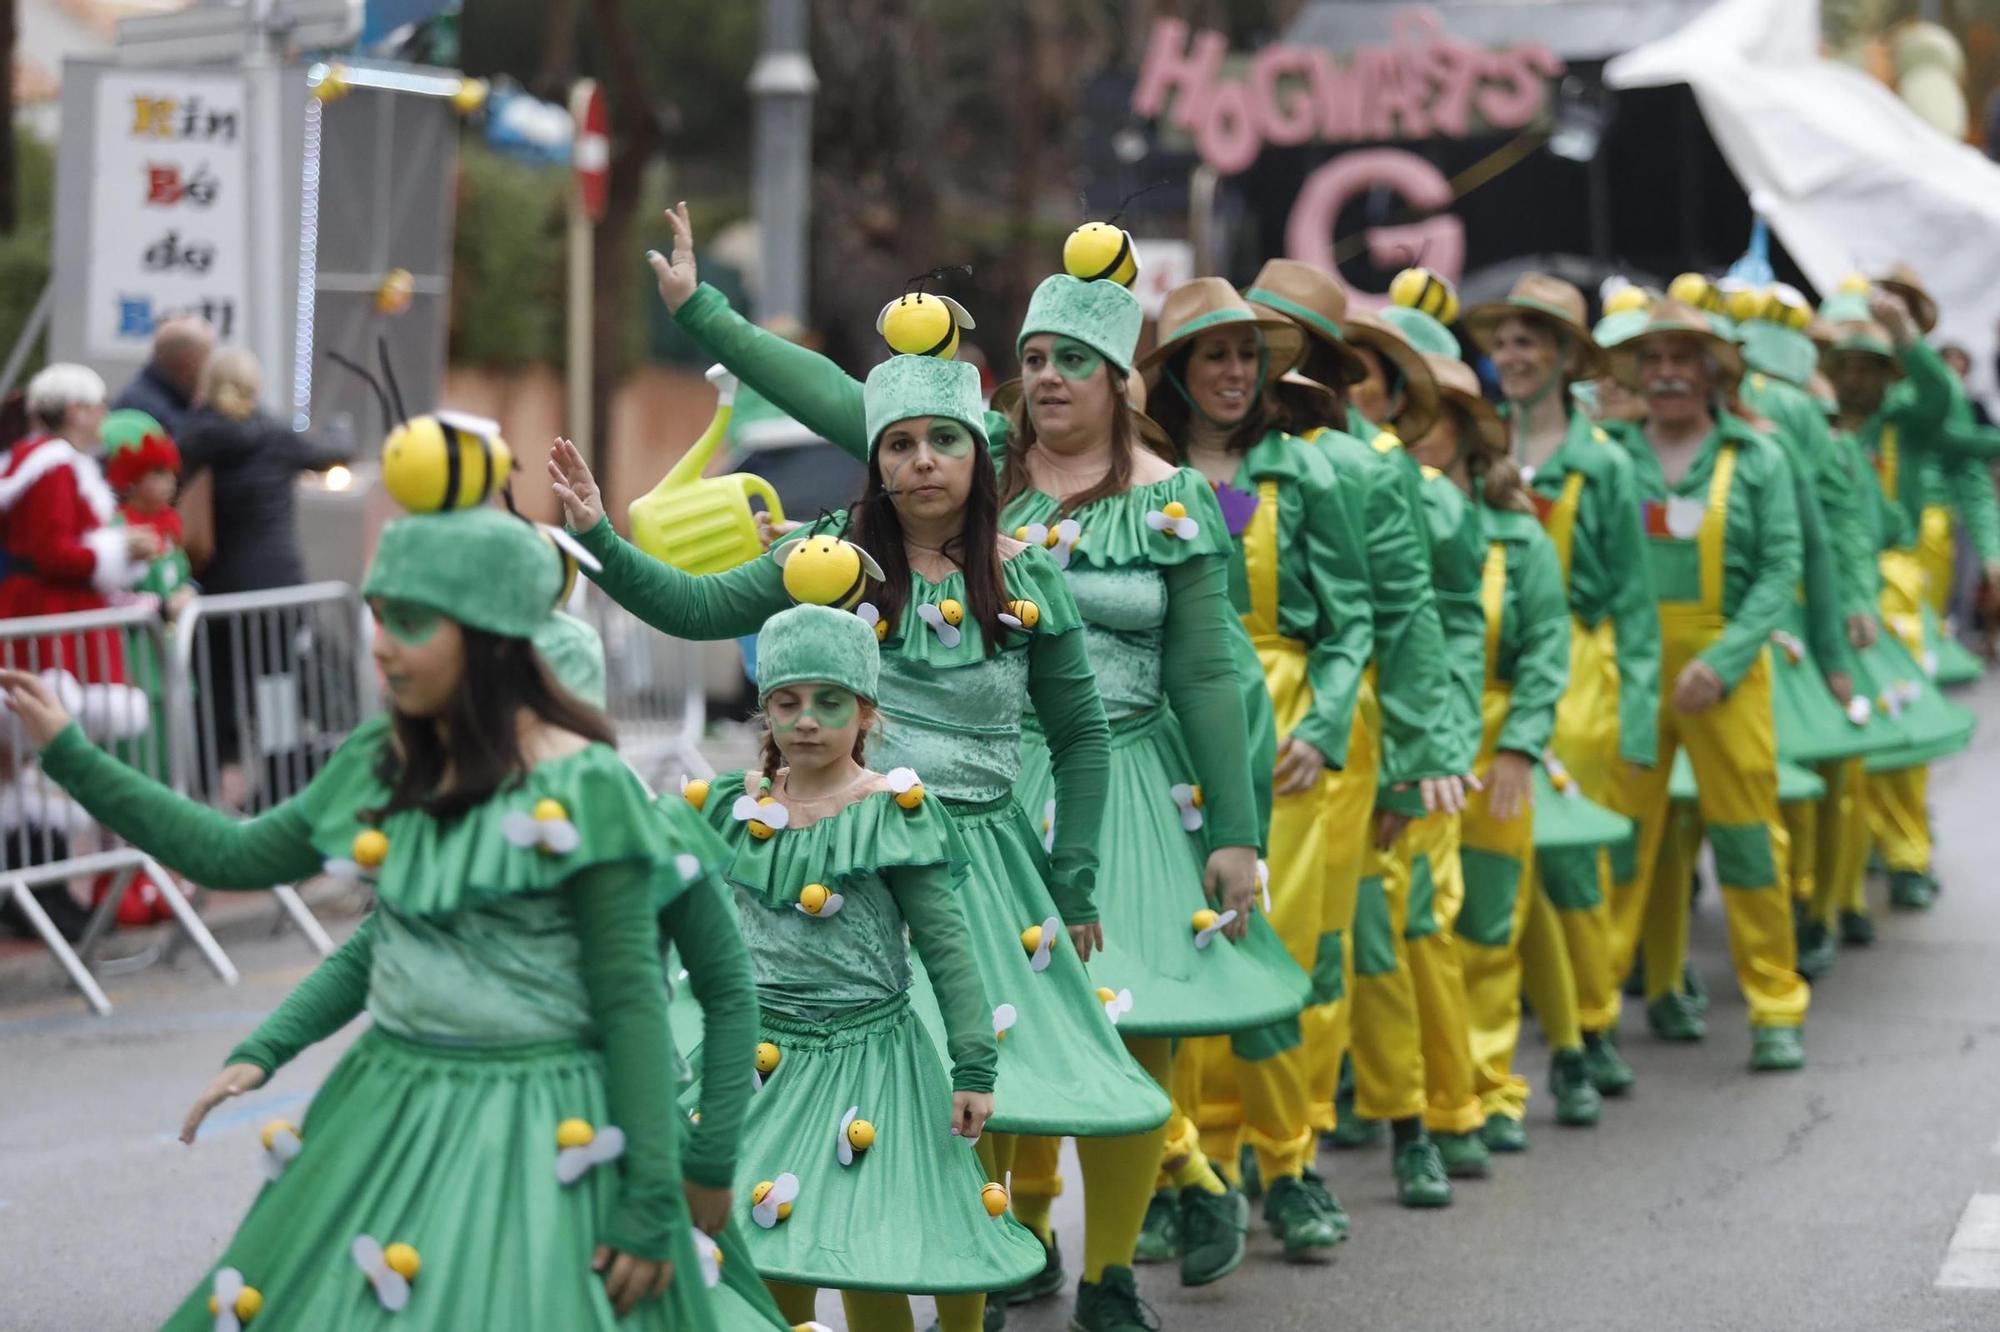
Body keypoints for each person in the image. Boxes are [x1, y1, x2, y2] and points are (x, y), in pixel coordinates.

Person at [640, 202, 1304, 1329]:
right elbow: (833, 399)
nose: (1046, 378)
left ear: (1119, 376)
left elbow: (1203, 674)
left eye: (1073, 360)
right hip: (960, 790)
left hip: (1119, 787)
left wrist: (1231, 835)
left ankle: (1112, 1272)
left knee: (1111, 1038)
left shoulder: (1174, 500)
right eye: (1033, 357)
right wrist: (704, 311)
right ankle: (1004, 1240)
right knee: (956, 1040)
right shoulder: (970, 457)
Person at [2, 503, 729, 1328]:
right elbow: (232, 857)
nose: (380, 645)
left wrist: (645, 1203)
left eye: (411, 623)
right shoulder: (384, 762)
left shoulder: (588, 786)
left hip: (545, 1126)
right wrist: (71, 753)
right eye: (378, 617)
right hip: (388, 1109)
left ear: (490, 633)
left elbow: (632, 999)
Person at [680, 602, 1045, 1332]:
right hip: (768, 1062)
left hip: (873, 1061)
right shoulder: (739, 809)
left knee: (871, 1248)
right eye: (787, 702)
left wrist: (974, 1065)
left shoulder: (893, 811)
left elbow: (947, 946)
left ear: (867, 714)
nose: (806, 719)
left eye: (829, 702)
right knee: (764, 1244)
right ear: (766, 713)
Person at [1136, 275, 1373, 1257]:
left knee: (1263, 948)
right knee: (1172, 957)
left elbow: (1354, 619)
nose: (1233, 372)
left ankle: (1289, 1163)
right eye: (1212, 356)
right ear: (1178, 374)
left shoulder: (1308, 474)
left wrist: (1319, 727)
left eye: (1247, 355)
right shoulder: (1136, 474)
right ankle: (1169, 1171)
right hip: (1162, 737)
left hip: (1279, 745)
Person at [1242, 258, 1463, 1203]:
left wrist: (1419, 760)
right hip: (1240, 721)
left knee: (1358, 938)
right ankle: (1248, 1141)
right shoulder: (1219, 455)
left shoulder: (1372, 468)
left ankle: (1390, 1123)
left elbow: (1408, 613)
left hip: (1349, 733)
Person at [1384, 287, 1603, 1140]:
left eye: (1433, 420)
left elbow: (1550, 646)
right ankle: (1400, 1085)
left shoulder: (1519, 533)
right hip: (1401, 752)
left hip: (1492, 753)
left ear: (1469, 429)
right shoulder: (1384, 523)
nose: (1416, 438)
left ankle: (1488, 1087)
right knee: (1400, 927)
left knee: (1486, 923)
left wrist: (1518, 746)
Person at [1597, 300, 1810, 1072]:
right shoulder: (1609, 455)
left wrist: (1721, 663)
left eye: (1684, 360)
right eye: (1652, 361)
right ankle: (1596, 1020)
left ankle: (1775, 1007)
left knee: (1749, 843)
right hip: (1631, 674)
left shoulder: (1758, 458)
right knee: (1621, 847)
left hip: (1726, 676)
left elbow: (1782, 569)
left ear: (1716, 372)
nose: (1667, 376)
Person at [1464, 273, 1656, 1108]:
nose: (1512, 356)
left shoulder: (1605, 465)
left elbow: (1634, 599)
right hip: (1481, 687)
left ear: (1566, 356)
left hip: (1577, 682)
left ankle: (1594, 1021)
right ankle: (1558, 1041)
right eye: (1502, 341)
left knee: (1572, 866)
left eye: (1530, 341)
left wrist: (1636, 717)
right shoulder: (1474, 448)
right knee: (1509, 874)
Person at [0, 363, 153, 678]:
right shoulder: (54, 466)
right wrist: (119, 550)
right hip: (53, 613)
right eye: (99, 405)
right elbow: (54, 554)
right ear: (75, 411)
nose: (103, 415)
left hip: (51, 609)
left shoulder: (50, 462)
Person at [177, 348, 350, 595]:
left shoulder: (192, 437)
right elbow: (333, 453)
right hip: (280, 578)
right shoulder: (276, 436)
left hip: (220, 583)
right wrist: (339, 427)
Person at [111, 314, 214, 438]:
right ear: (188, 362)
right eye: (206, 359)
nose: (209, 369)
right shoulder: (147, 411)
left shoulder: (167, 396)